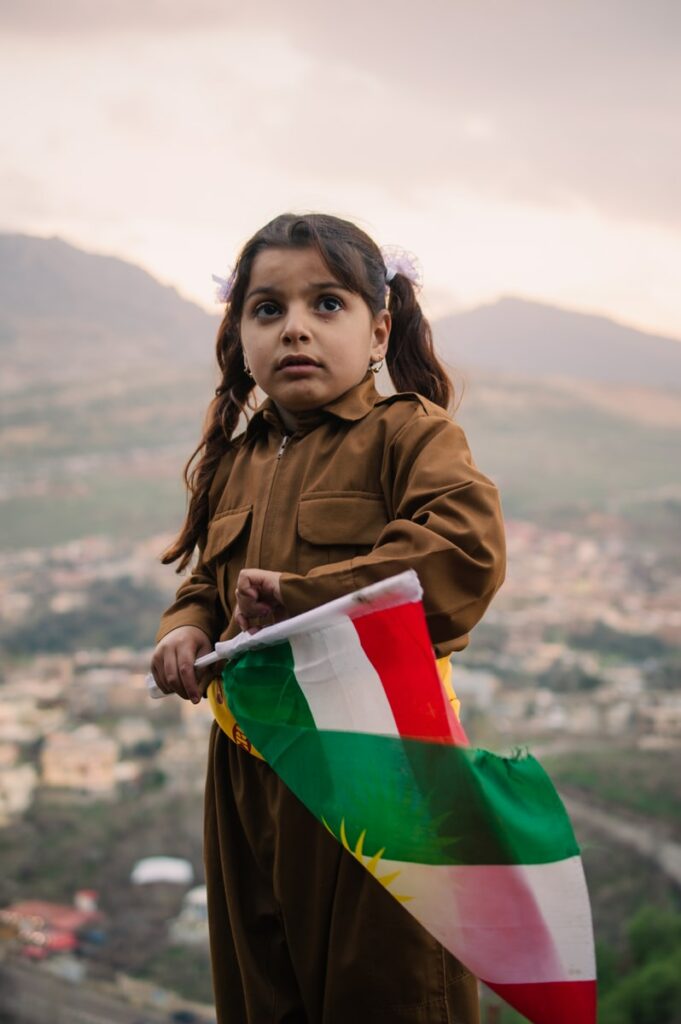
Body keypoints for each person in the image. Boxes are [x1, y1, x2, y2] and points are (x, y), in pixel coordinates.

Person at [150, 213, 506, 1023]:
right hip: (247, 765)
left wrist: (303, 596)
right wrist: (185, 626)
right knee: (261, 993)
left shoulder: (410, 435)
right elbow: (208, 577)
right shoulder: (236, 459)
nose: (295, 328)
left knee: (389, 990)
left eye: (327, 303)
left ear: (378, 330)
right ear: (239, 337)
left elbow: (464, 553)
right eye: (267, 309)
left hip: (374, 761)